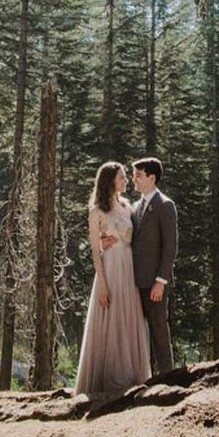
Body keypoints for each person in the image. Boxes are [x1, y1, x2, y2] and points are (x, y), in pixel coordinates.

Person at [75, 161, 151, 395]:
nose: (126, 180)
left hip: (128, 269)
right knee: (110, 318)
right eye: (121, 177)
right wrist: (103, 285)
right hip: (109, 269)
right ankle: (109, 378)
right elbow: (94, 251)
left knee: (128, 318)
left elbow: (137, 238)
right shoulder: (96, 211)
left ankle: (132, 376)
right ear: (109, 181)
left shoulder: (129, 207)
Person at [131, 157, 177, 375]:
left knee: (159, 328)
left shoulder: (165, 205)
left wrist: (161, 281)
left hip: (155, 281)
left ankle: (168, 377)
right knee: (140, 332)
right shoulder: (135, 207)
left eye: (138, 175)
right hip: (135, 281)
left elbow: (170, 246)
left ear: (151, 177)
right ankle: (146, 377)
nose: (134, 179)